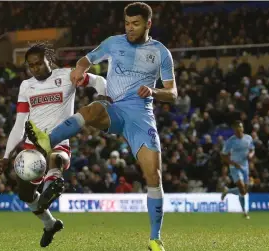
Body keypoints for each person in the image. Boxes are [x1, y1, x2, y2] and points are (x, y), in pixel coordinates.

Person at [24, 3, 177, 250]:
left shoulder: (161, 53)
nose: (130, 28)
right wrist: (80, 68)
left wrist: (154, 90)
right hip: (115, 109)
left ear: (148, 24)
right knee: (93, 108)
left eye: (135, 24)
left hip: (141, 116)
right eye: (127, 23)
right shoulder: (113, 42)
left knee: (154, 176)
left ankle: (155, 238)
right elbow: (88, 58)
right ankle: (47, 140)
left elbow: (173, 93)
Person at [0, 42, 106, 247]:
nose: (36, 68)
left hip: (57, 140)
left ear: (49, 60)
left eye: (39, 63)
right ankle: (50, 223)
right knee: (25, 195)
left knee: (56, 157)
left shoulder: (67, 76)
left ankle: (51, 185)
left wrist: (105, 99)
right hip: (32, 146)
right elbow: (20, 123)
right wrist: (6, 155)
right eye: (31, 65)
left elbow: (98, 81)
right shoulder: (26, 86)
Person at [221, 121, 255, 219]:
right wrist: (233, 163)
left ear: (242, 128)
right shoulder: (230, 141)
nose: (239, 130)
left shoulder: (248, 138)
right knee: (241, 188)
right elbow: (223, 155)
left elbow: (252, 149)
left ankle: (228, 191)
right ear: (234, 130)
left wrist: (250, 155)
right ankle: (244, 212)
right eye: (237, 128)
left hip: (245, 166)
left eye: (240, 127)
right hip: (235, 167)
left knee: (244, 191)